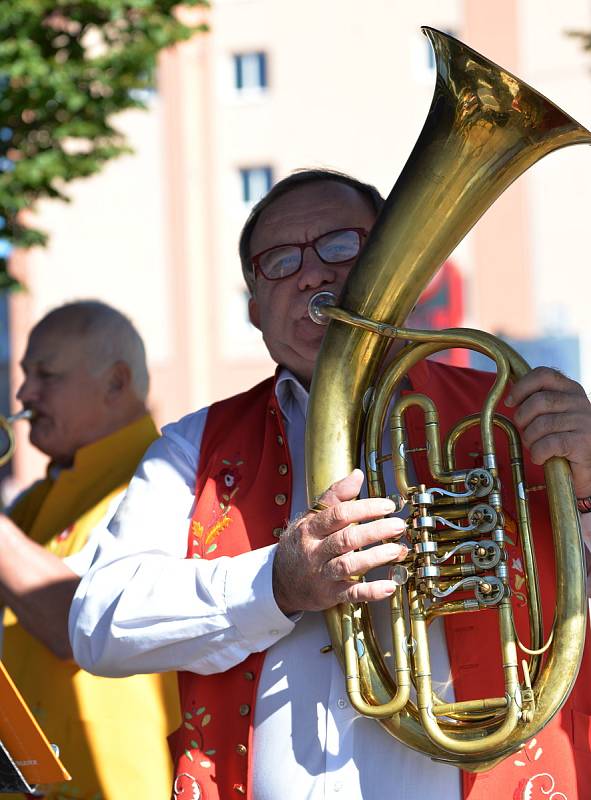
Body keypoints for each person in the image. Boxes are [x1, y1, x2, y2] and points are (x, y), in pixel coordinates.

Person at [70, 172, 591, 800]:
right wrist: (277, 582)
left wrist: (588, 487)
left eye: (343, 246)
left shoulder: (509, 414)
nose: (313, 275)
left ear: (400, 266)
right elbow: (98, 625)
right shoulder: (193, 448)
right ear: (255, 307)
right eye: (280, 261)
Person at [0, 301, 179, 800]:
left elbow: (73, 623)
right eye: (24, 374)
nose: (23, 393)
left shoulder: (162, 478)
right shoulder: (39, 499)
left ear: (116, 383)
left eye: (46, 375)